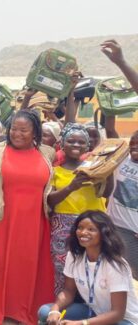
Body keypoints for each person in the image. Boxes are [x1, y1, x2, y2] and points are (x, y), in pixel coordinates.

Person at [0, 109, 56, 324]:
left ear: (35, 133)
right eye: (14, 128)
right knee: (1, 265)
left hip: (35, 222)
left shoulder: (47, 153)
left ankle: (26, 310)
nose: (17, 133)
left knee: (29, 266)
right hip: (3, 220)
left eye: (24, 130)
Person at [38, 211, 138, 325]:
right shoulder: (73, 256)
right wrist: (55, 309)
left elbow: (117, 313)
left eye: (91, 229)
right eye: (80, 228)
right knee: (45, 312)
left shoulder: (115, 265)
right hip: (94, 312)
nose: (83, 232)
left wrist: (82, 323)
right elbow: (68, 291)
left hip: (122, 320)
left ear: (103, 234)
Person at [47, 124, 112, 294]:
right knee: (63, 268)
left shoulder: (94, 168)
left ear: (87, 146)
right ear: (62, 145)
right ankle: (63, 310)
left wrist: (109, 169)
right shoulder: (54, 171)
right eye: (71, 141)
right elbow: (49, 200)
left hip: (94, 225)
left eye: (81, 142)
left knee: (94, 267)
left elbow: (106, 192)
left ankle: (92, 307)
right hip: (63, 226)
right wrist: (70, 187)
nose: (76, 145)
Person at [101, 39, 138, 280]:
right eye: (133, 142)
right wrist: (121, 63)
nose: (134, 147)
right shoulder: (122, 156)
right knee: (126, 279)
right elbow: (111, 131)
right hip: (122, 229)